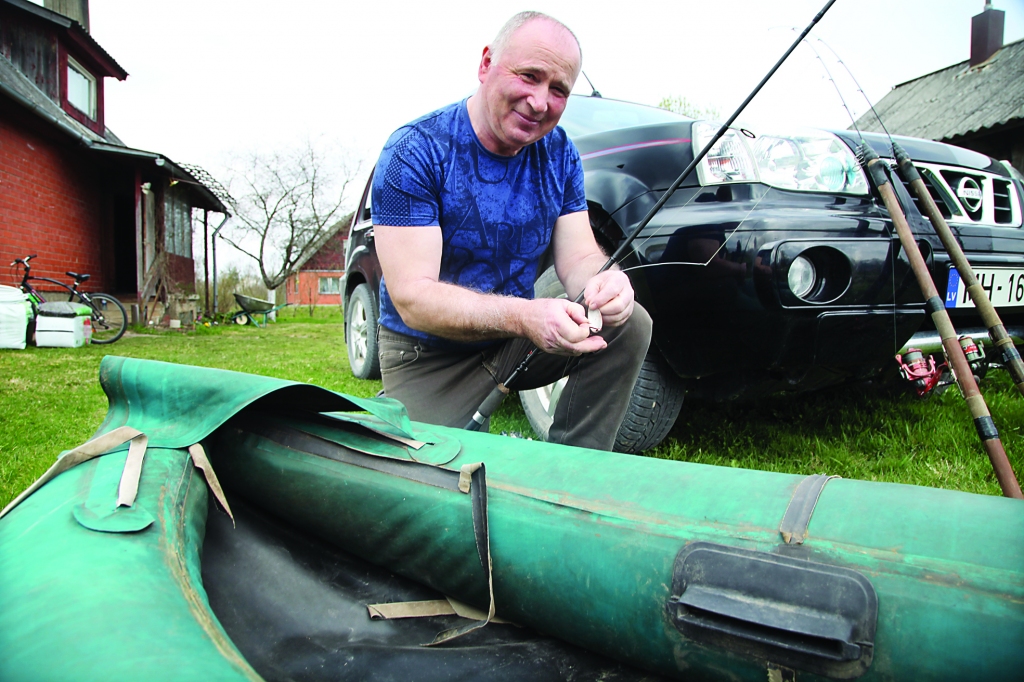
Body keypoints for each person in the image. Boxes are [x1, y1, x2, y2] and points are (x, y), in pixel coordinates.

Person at [371, 11, 652, 451]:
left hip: (514, 339)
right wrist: (525, 316)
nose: (540, 102)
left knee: (629, 324)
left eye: (558, 89)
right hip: (428, 353)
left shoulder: (559, 154)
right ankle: (403, 410)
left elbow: (579, 258)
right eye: (529, 76)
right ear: (486, 65)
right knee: (425, 479)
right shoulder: (415, 150)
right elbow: (413, 299)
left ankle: (574, 470)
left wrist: (605, 281)